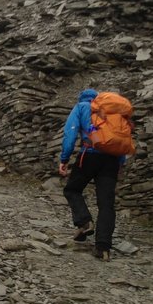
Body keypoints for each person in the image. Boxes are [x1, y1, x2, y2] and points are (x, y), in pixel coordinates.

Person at [58, 88, 124, 261]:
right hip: (111, 160)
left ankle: (84, 222)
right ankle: (103, 248)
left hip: (89, 155)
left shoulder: (81, 107)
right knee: (106, 204)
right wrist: (120, 163)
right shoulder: (112, 111)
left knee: (72, 190)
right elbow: (121, 138)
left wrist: (64, 159)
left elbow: (70, 134)